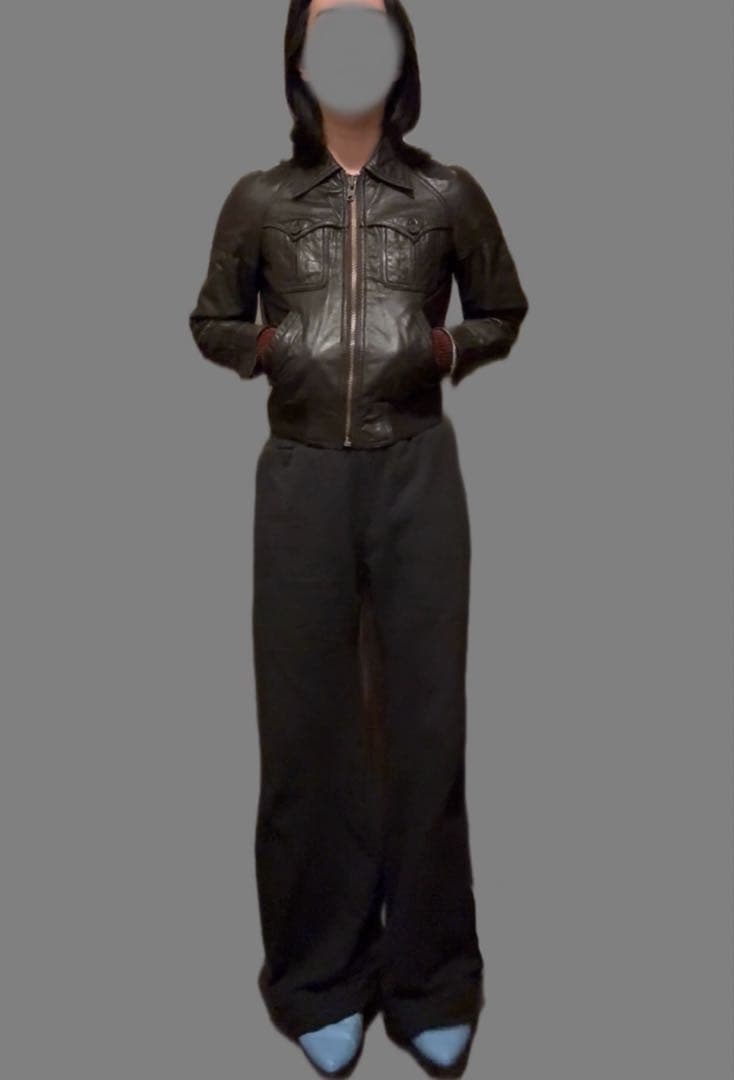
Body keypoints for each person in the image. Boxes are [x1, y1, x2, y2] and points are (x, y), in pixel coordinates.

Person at [188, 1, 529, 1072]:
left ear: (400, 51)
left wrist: (443, 348)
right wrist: (270, 351)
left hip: (416, 469)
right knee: (306, 731)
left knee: (425, 728)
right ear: (296, 57)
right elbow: (209, 319)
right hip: (300, 478)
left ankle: (432, 978)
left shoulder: (446, 192)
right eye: (325, 28)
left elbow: (504, 309)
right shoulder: (258, 198)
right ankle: (317, 977)